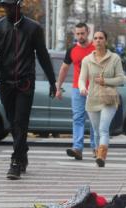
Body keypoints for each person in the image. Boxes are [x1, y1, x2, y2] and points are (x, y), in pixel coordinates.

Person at [0, 0, 56, 180]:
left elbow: (42, 55)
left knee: (20, 122)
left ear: (19, 6)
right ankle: (22, 151)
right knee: (12, 122)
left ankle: (15, 162)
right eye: (5, 6)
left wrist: (52, 81)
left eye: (10, 6)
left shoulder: (34, 28)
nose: (7, 9)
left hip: (25, 83)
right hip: (6, 83)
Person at [78, 31, 124, 167]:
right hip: (92, 98)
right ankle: (98, 153)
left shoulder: (115, 58)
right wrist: (82, 88)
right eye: (96, 38)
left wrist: (106, 81)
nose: (98, 40)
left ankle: (102, 157)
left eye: (101, 38)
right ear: (93, 42)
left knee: (103, 129)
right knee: (96, 130)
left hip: (109, 99)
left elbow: (121, 79)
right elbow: (82, 78)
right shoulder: (87, 60)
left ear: (106, 41)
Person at [56, 22, 96, 160]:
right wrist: (58, 87)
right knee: (77, 118)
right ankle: (77, 148)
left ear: (88, 32)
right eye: (77, 34)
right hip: (77, 89)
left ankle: (96, 148)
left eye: (82, 33)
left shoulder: (96, 48)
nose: (80, 36)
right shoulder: (72, 50)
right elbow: (64, 69)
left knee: (94, 119)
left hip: (95, 89)